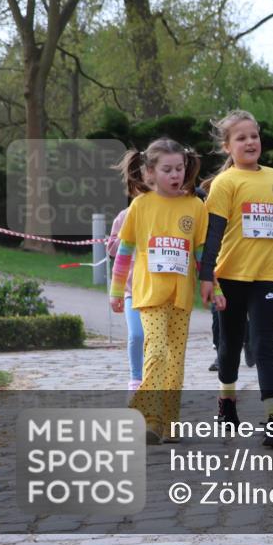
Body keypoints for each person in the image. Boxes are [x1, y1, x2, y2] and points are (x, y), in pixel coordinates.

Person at [109, 139, 207, 444]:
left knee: (175, 361)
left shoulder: (195, 206)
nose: (175, 174)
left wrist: (210, 285)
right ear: (150, 171)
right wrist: (115, 290)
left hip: (181, 297)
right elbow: (124, 252)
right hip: (148, 294)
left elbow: (201, 253)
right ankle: (149, 417)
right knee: (155, 350)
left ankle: (170, 422)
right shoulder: (140, 206)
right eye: (167, 170)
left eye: (179, 168)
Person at [199, 110, 273, 449]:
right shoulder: (225, 183)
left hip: (266, 276)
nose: (250, 142)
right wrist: (208, 276)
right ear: (227, 147)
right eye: (241, 138)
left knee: (265, 346)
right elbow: (214, 233)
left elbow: (268, 221)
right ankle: (227, 401)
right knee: (230, 345)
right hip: (231, 276)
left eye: (254, 135)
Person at [107, 158, 151, 391]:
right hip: (132, 290)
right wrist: (127, 239)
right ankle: (136, 379)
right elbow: (113, 248)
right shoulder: (124, 216)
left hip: (158, 291)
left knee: (156, 341)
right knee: (136, 335)